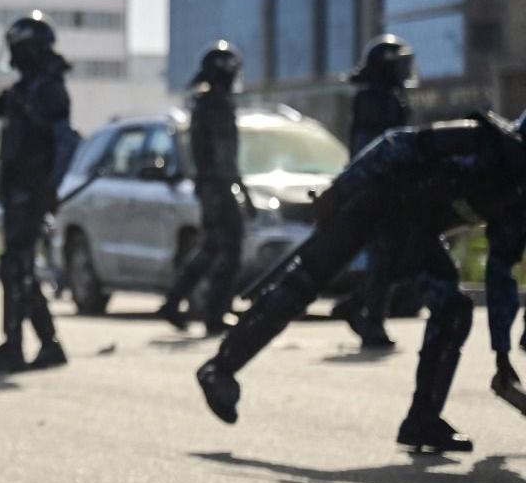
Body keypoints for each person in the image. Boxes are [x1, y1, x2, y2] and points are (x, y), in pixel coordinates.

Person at [195, 112, 526, 452]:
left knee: (452, 310)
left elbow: (500, 270)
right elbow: (395, 142)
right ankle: (219, 370)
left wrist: (501, 351)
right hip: (369, 202)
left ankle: (422, 421)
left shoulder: (519, 197)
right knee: (302, 284)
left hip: (411, 231)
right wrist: (339, 191)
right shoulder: (478, 139)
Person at [0, 12, 71, 373]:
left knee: (17, 267)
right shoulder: (25, 90)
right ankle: (46, 343)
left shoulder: (48, 91)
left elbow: (61, 143)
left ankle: (18, 345)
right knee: (19, 268)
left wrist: (49, 189)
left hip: (31, 192)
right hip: (18, 191)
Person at [331, 35, 418, 350]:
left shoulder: (387, 98)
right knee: (385, 257)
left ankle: (360, 308)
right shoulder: (376, 101)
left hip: (386, 188)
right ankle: (369, 320)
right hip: (379, 189)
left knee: (395, 258)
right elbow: (376, 149)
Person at [155, 42, 245, 336]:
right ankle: (214, 313)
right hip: (216, 186)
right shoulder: (215, 104)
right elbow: (223, 156)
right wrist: (234, 188)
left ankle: (177, 301)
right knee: (227, 248)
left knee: (211, 247)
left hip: (213, 186)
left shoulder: (206, 103)